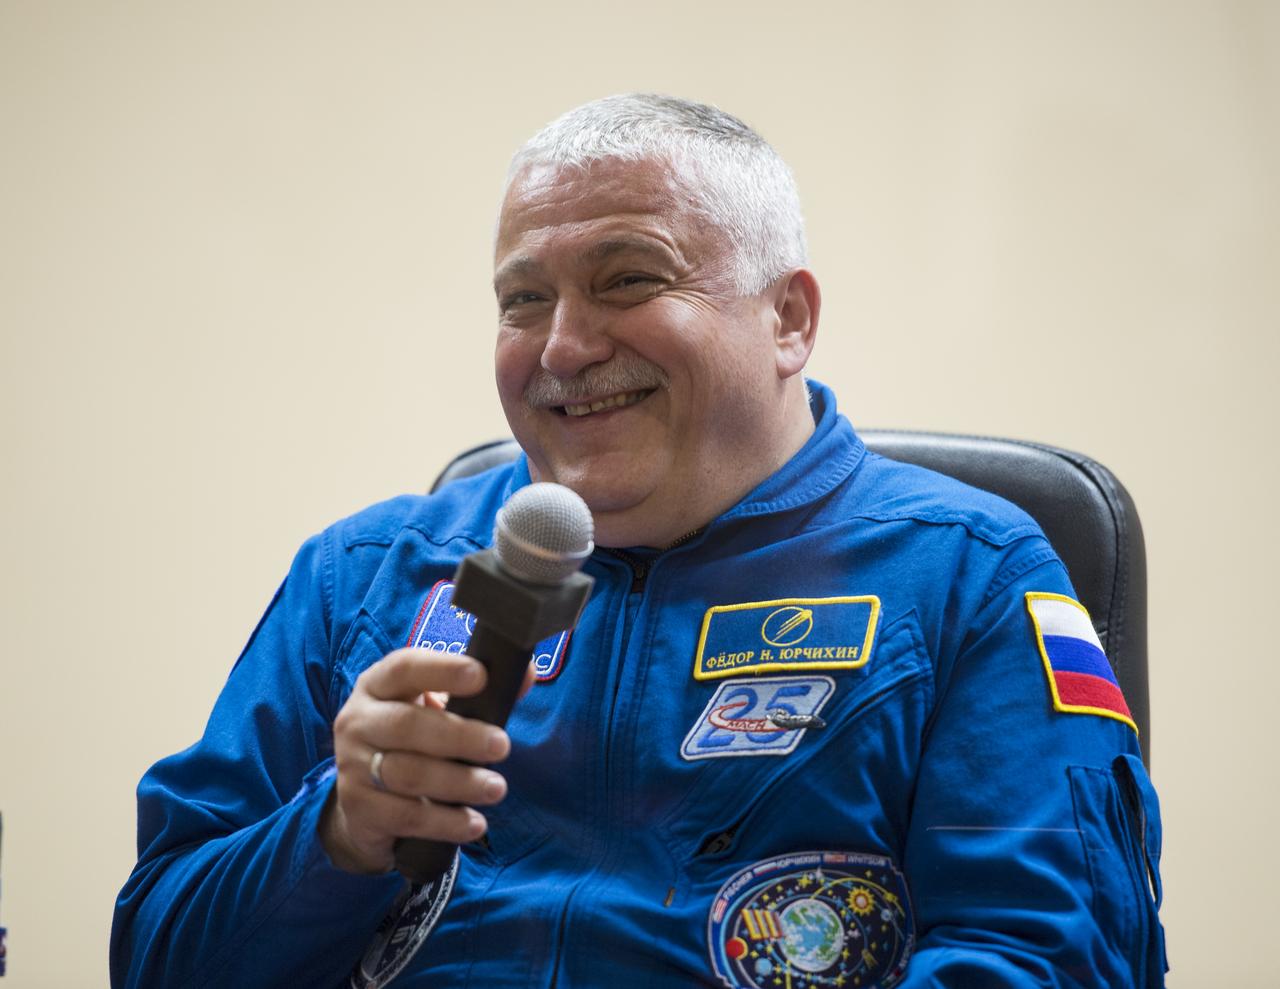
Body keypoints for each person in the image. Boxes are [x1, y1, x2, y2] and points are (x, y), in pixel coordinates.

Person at [112, 94, 1167, 988]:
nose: (563, 345)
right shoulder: (361, 576)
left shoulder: (968, 574)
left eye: (628, 278)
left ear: (787, 320)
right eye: (524, 298)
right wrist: (337, 832)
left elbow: (1042, 952)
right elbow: (156, 949)